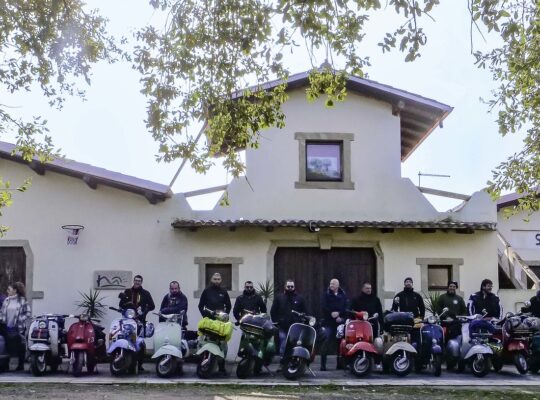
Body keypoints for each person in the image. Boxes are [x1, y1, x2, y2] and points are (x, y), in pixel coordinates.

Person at [118, 274, 155, 371]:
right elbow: (121, 304)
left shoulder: (146, 293)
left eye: (139, 281)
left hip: (139, 320)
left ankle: (140, 364)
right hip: (127, 320)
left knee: (139, 342)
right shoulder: (127, 291)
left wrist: (144, 310)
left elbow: (152, 306)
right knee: (125, 339)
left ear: (141, 282)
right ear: (133, 281)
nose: (137, 282)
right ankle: (124, 359)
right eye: (136, 280)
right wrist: (124, 307)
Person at [270, 279, 307, 358]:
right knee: (283, 343)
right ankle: (282, 361)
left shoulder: (300, 298)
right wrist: (277, 322)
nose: (290, 288)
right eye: (288, 286)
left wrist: (302, 320)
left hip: (296, 327)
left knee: (295, 344)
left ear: (294, 287)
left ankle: (293, 361)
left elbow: (305, 311)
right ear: (285, 287)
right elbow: (273, 312)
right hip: (283, 327)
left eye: (292, 286)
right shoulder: (279, 298)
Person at [0, 282, 31, 371]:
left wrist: (20, 319)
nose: (7, 291)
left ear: (15, 290)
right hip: (6, 327)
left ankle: (20, 365)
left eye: (9, 289)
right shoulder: (6, 300)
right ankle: (6, 365)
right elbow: (2, 312)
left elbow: (28, 313)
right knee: (7, 345)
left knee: (20, 345)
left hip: (18, 327)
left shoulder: (23, 300)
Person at [319, 278, 347, 371]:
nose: (331, 285)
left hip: (339, 323)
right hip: (328, 322)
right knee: (326, 341)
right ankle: (323, 365)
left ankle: (340, 364)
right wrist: (331, 313)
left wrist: (340, 315)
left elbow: (346, 307)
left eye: (334, 284)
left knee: (341, 343)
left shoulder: (343, 295)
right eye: (331, 283)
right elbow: (323, 307)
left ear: (338, 285)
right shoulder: (326, 295)